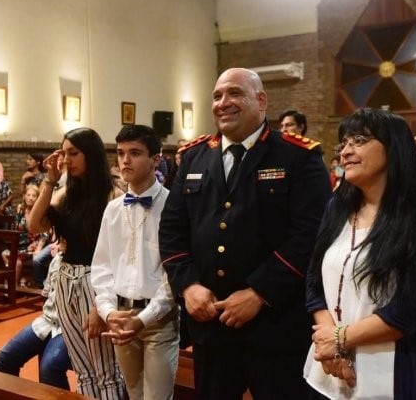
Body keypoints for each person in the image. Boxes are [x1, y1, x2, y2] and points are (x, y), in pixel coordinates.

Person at [159, 68, 332, 399]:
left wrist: (259, 293)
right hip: (211, 324)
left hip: (276, 326)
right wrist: (188, 285)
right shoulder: (195, 156)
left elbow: (310, 234)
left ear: (261, 100)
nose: (223, 102)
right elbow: (171, 229)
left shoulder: (298, 156)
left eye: (235, 93)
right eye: (217, 96)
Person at [303, 108, 416, 398]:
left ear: (394, 149)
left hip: (402, 372)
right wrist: (331, 345)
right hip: (332, 371)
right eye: (344, 143)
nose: (345, 152)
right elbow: (314, 282)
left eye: (359, 140)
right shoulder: (337, 207)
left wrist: (340, 339)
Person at [28, 127, 126, 399]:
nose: (66, 160)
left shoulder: (113, 195)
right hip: (65, 281)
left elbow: (120, 257)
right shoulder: (65, 194)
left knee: (106, 370)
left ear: (91, 155)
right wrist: (50, 180)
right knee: (83, 369)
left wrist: (101, 306)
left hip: (96, 282)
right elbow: (34, 225)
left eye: (73, 153)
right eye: (64, 153)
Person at [92, 125, 179, 400]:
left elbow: (173, 273)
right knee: (134, 393)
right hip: (120, 315)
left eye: (135, 153)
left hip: (159, 319)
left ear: (156, 159)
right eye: (120, 153)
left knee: (156, 398)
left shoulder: (173, 206)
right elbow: (103, 266)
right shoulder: (113, 209)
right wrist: (107, 311)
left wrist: (143, 319)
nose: (125, 160)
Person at [0, 253, 72, 389]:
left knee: (49, 368)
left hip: (71, 325)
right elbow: (48, 296)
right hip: (47, 320)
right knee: (6, 358)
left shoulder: (89, 262)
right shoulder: (57, 259)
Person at [5, 184, 48, 287]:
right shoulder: (20, 210)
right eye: (28, 195)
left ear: (38, 198)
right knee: (6, 255)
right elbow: (15, 228)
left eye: (34, 196)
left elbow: (45, 233)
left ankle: (15, 286)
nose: (31, 198)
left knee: (17, 260)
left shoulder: (40, 212)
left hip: (34, 244)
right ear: (24, 196)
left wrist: (38, 247)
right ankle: (16, 285)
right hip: (21, 244)